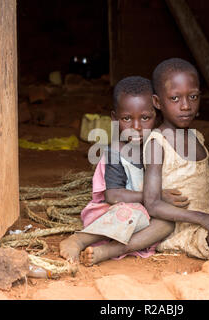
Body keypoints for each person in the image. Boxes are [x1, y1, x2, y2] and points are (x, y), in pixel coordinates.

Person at [59, 76, 188, 266]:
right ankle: (79, 240)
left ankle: (111, 250)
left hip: (146, 214)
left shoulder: (158, 146)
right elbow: (113, 195)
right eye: (127, 119)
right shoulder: (115, 153)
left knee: (166, 223)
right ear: (114, 118)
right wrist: (156, 196)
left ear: (157, 115)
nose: (136, 127)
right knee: (129, 213)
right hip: (112, 213)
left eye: (145, 118)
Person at [143, 58, 209, 260]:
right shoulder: (157, 143)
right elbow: (152, 203)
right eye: (175, 98)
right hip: (185, 229)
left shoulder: (196, 137)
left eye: (193, 97)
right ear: (157, 102)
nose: (185, 106)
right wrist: (202, 218)